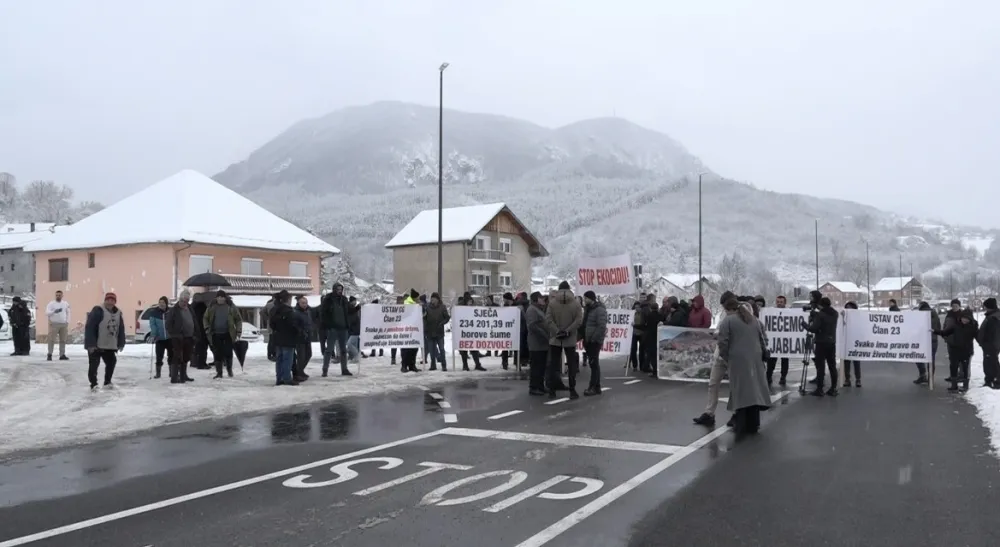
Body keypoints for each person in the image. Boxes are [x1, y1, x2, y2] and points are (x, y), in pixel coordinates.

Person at [715, 297, 772, 435]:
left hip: (737, 359)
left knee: (740, 392)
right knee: (754, 391)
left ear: (729, 309)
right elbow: (763, 339)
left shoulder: (728, 321)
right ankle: (754, 424)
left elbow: (722, 342)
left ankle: (741, 424)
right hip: (755, 359)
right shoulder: (754, 320)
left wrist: (727, 357)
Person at [545, 281, 584, 399]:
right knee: (571, 364)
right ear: (569, 289)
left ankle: (552, 390)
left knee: (554, 364)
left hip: (555, 338)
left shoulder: (552, 303)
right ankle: (572, 389)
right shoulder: (576, 304)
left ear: (559, 289)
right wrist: (568, 331)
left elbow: (548, 319)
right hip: (570, 338)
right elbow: (579, 320)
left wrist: (557, 330)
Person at [83, 292, 126, 391]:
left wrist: (121, 343)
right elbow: (90, 327)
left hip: (110, 344)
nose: (110, 302)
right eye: (108, 300)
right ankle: (94, 384)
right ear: (105, 300)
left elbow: (121, 328)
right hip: (96, 344)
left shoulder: (118, 313)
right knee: (94, 364)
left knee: (111, 362)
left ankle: (107, 381)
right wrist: (91, 344)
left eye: (112, 300)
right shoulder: (98, 310)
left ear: (115, 302)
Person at [934, 308, 978, 392]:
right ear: (960, 318)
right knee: (953, 367)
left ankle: (965, 386)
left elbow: (978, 337)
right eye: (963, 318)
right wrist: (935, 331)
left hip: (966, 350)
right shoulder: (955, 325)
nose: (965, 320)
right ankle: (954, 386)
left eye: (967, 318)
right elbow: (945, 332)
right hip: (955, 350)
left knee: (965, 368)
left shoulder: (973, 327)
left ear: (970, 319)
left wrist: (985, 344)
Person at [203, 290, 241, 379]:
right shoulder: (212, 306)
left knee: (228, 352)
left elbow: (238, 319)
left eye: (222, 297)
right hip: (215, 334)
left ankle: (229, 370)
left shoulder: (231, 306)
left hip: (228, 333)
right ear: (216, 298)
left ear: (225, 298)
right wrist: (207, 328)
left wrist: (238, 330)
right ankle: (219, 373)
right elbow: (205, 318)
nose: (220, 299)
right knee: (217, 353)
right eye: (218, 297)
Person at [806, 296, 839, 397]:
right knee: (832, 366)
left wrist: (805, 325)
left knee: (820, 367)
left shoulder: (820, 315)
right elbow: (827, 320)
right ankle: (833, 388)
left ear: (820, 305)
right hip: (831, 342)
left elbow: (813, 328)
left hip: (821, 342)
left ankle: (819, 389)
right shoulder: (835, 313)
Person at [320, 283, 353, 377]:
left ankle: (344, 369)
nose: (339, 291)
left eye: (341, 289)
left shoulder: (344, 299)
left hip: (343, 328)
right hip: (333, 328)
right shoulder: (328, 299)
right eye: (338, 289)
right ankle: (325, 369)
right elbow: (323, 313)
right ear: (334, 289)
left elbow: (350, 311)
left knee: (343, 350)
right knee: (329, 350)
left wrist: (358, 307)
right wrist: (328, 325)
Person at [165, 290, 196, 384]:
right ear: (179, 299)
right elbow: (168, 324)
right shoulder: (174, 310)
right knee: (177, 356)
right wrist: (174, 334)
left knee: (186, 356)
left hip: (189, 337)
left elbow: (194, 321)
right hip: (177, 337)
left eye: (186, 301)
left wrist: (196, 334)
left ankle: (183, 376)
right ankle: (174, 377)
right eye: (182, 300)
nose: (184, 303)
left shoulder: (190, 308)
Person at [269, 290, 300, 386]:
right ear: (288, 300)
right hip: (288, 338)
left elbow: (272, 324)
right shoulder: (289, 311)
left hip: (278, 338)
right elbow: (293, 325)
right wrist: (298, 331)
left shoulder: (274, 310)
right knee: (287, 360)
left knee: (279, 359)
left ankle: (279, 378)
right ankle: (287, 378)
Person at [582, 290, 608, 396]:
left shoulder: (599, 310)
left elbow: (601, 326)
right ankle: (596, 387)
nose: (584, 300)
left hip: (594, 341)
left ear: (591, 298)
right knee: (594, 364)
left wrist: (593, 339)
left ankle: (593, 387)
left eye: (586, 298)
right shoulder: (588, 309)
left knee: (594, 364)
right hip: (589, 340)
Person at [525, 292, 549, 395]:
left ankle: (540, 386)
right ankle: (534, 387)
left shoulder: (539, 309)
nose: (543, 299)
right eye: (541, 298)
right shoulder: (532, 310)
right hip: (536, 343)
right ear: (536, 299)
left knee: (541, 366)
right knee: (536, 366)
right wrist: (545, 335)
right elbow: (532, 326)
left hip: (542, 343)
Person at [766, 295, 790, 386]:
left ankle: (783, 377)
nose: (779, 303)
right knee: (771, 360)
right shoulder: (771, 311)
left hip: (785, 340)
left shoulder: (789, 312)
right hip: (774, 341)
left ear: (785, 303)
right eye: (778, 302)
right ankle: (768, 376)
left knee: (785, 360)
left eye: (781, 302)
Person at [456, 295, 485, 371]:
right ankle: (465, 365)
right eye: (469, 302)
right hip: (464, 332)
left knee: (474, 349)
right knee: (464, 350)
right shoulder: (461, 309)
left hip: (472, 332)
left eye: (471, 302)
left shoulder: (473, 309)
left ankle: (477, 364)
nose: (470, 304)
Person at [914, 301, 940, 385]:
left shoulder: (921, 315)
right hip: (933, 339)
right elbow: (938, 326)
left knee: (918, 357)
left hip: (923, 340)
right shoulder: (934, 314)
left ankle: (923, 375)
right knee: (931, 359)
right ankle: (930, 378)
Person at [423, 292, 450, 371]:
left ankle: (444, 365)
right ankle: (433, 365)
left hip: (439, 332)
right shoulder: (427, 307)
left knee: (441, 349)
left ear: (438, 299)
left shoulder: (442, 307)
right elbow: (424, 318)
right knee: (432, 350)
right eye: (431, 298)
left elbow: (447, 318)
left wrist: (442, 323)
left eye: (434, 298)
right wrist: (425, 325)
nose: (432, 300)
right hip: (430, 332)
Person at [978, 297, 1000, 390]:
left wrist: (985, 342)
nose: (984, 308)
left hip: (991, 345)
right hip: (992, 344)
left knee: (990, 363)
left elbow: (991, 333)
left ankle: (993, 381)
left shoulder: (993, 318)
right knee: (992, 362)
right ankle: (993, 380)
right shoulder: (993, 315)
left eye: (985, 306)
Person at [148, 296, 173, 378]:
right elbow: (153, 325)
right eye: (160, 302)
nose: (161, 304)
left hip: (169, 338)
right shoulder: (154, 313)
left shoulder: (170, 312)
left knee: (171, 355)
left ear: (166, 304)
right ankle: (158, 373)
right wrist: (154, 335)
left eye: (163, 303)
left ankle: (171, 372)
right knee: (159, 356)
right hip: (159, 338)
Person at [942, 299, 964, 383]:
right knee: (952, 360)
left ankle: (961, 375)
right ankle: (953, 375)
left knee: (961, 360)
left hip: (960, 341)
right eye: (953, 306)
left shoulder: (963, 315)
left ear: (959, 306)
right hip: (950, 341)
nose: (954, 307)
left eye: (956, 306)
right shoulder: (949, 315)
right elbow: (945, 326)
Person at [45, 290, 71, 361]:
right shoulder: (51, 304)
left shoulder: (65, 304)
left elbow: (68, 312)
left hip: (63, 324)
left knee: (63, 340)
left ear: (62, 296)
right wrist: (54, 312)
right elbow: (47, 313)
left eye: (59, 295)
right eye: (57, 295)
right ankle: (50, 354)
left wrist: (67, 321)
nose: (58, 296)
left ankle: (62, 354)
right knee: (51, 339)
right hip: (54, 324)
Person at [292, 295, 313, 382]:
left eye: (306, 303)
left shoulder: (307, 311)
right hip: (299, 338)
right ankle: (298, 373)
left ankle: (299, 371)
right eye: (303, 303)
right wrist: (301, 331)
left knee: (308, 354)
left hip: (307, 336)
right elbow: (295, 325)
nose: (305, 304)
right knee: (301, 356)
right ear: (298, 303)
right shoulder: (296, 312)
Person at [399, 289, 421, 373]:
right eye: (418, 298)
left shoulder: (414, 304)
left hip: (414, 330)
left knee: (414, 348)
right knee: (406, 349)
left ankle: (412, 365)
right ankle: (404, 366)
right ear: (414, 298)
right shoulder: (408, 303)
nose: (419, 300)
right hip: (406, 330)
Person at [842, 301, 863, 387]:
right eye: (847, 308)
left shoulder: (859, 318)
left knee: (856, 362)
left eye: (850, 308)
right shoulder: (843, 317)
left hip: (855, 343)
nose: (848, 310)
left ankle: (858, 379)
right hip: (846, 342)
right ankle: (847, 379)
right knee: (846, 362)